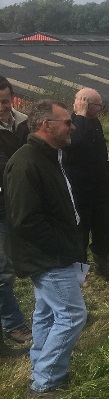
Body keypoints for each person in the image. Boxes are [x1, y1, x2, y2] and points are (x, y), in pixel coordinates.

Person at [4, 100, 87, 398]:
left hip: (56, 252)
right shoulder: (26, 163)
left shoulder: (49, 157)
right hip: (49, 257)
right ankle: (46, 381)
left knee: (47, 314)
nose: (72, 126)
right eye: (66, 122)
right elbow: (25, 220)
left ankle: (42, 367)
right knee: (72, 315)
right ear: (46, 125)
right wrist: (62, 247)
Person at [65, 88, 109, 280]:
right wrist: (80, 116)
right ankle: (80, 274)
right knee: (81, 230)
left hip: (100, 186)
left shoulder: (95, 123)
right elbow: (76, 143)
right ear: (85, 104)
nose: (100, 108)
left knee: (103, 227)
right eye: (98, 105)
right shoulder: (72, 124)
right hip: (80, 188)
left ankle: (103, 265)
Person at [0, 77, 31, 353]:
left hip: (24, 203)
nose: (1, 107)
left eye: (5, 101)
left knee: (34, 260)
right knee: (3, 269)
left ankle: (52, 313)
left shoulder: (23, 123)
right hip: (1, 207)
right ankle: (13, 324)